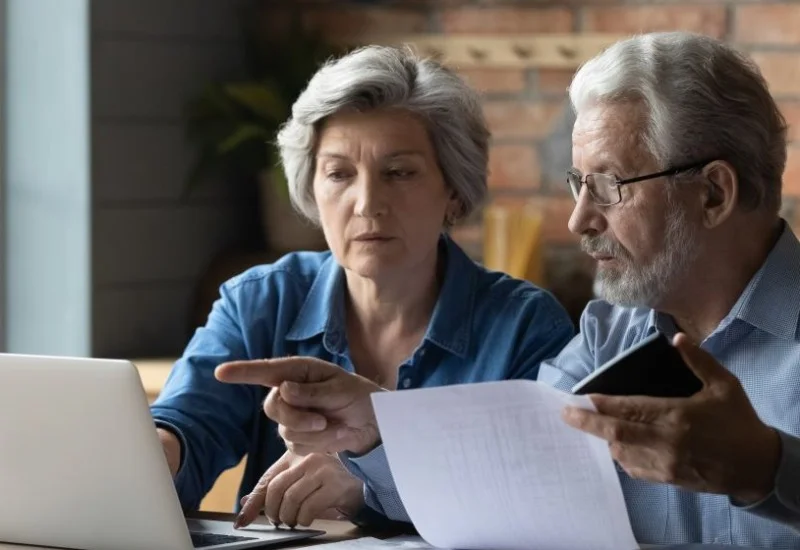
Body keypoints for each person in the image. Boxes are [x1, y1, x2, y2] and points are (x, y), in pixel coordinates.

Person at [217, 32, 800, 548]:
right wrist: (376, 428)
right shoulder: (607, 335)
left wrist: (765, 468)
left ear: (714, 195)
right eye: (578, 184)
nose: (578, 221)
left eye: (606, 186)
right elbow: (507, 486)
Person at [151, 45, 574, 530]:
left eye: (399, 173)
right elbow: (189, 425)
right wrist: (157, 457)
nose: (368, 203)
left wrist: (373, 484)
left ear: (453, 190)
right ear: (312, 189)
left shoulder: (525, 327)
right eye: (339, 174)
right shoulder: (260, 301)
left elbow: (541, 499)